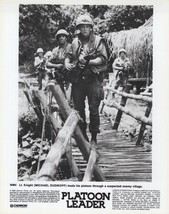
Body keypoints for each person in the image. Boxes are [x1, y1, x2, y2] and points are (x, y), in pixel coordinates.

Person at [64, 14, 108, 143]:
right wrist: (67, 62)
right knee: (78, 108)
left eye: (87, 26)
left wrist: (90, 62)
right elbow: (69, 55)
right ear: (79, 28)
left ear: (91, 28)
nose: (84, 29)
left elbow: (103, 58)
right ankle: (83, 135)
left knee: (93, 108)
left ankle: (94, 136)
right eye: (82, 27)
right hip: (79, 79)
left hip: (93, 77)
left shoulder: (98, 40)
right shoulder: (74, 42)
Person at [46, 29, 71, 93]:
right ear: (57, 38)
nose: (61, 38)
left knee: (70, 95)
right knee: (60, 95)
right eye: (59, 36)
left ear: (66, 38)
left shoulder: (71, 47)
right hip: (59, 76)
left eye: (63, 36)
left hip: (70, 76)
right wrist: (56, 65)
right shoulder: (55, 50)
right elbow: (47, 63)